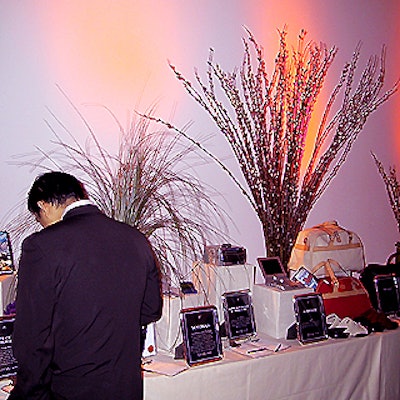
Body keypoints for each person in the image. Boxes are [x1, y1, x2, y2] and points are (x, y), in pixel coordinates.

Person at [9, 171, 163, 400]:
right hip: (125, 388)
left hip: (69, 390)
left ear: (44, 205)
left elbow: (32, 336)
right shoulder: (136, 239)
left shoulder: (41, 246)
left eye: (38, 217)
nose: (41, 226)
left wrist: (28, 392)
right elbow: (150, 310)